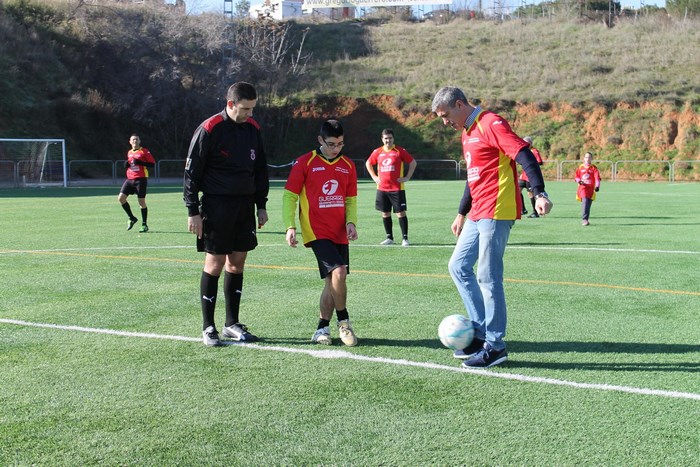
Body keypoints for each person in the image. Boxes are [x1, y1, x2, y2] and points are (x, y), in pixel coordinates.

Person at [431, 86, 553, 368]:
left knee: (488, 276)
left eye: (446, 115)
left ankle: (495, 346)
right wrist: (461, 212)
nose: (444, 122)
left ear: (460, 104)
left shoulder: (490, 123)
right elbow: (474, 177)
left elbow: (523, 153)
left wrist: (539, 193)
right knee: (457, 266)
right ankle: (480, 333)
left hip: (497, 210)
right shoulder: (466, 132)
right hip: (477, 211)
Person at [183, 82, 270, 347]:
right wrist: (193, 211)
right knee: (215, 263)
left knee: (238, 263)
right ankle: (208, 327)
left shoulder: (253, 129)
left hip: (244, 206)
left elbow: (260, 170)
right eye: (245, 109)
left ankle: (231, 323)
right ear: (231, 104)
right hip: (216, 206)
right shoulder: (209, 129)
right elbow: (191, 173)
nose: (250, 114)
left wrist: (261, 204)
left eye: (253, 109)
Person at [282, 119, 359, 347]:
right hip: (316, 231)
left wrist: (351, 222)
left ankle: (321, 328)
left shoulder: (348, 165)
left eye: (341, 144)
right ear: (320, 140)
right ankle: (344, 321)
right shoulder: (305, 162)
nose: (336, 149)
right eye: (332, 144)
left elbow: (350, 199)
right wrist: (290, 226)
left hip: (339, 232)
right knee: (339, 271)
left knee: (331, 281)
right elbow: (290, 196)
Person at [365, 128, 417, 247]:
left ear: (393, 139)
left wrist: (407, 177)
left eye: (390, 138)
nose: (388, 140)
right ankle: (389, 237)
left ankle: (405, 238)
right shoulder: (377, 152)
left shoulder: (399, 151)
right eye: (386, 138)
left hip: (397, 189)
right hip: (382, 189)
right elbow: (368, 163)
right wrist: (374, 177)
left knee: (400, 213)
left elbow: (413, 162)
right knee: (385, 213)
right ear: (382, 139)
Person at [118, 134, 155, 232]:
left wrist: (141, 163)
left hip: (141, 179)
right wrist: (125, 165)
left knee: (141, 202)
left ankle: (144, 224)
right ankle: (132, 218)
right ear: (130, 142)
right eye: (133, 140)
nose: (135, 141)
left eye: (137, 139)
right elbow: (131, 164)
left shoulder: (144, 151)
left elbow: (152, 164)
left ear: (139, 141)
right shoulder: (129, 152)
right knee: (121, 198)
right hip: (129, 180)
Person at [519, 136, 544, 218]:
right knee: (517, 190)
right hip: (523, 176)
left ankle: (535, 212)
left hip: (530, 176)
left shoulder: (534, 151)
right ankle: (523, 209)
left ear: (530, 143)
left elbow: (540, 162)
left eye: (526, 142)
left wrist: (531, 163)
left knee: (531, 194)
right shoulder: (524, 151)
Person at [574, 151, 601, 226]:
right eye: (586, 157)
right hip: (583, 188)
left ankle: (586, 219)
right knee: (585, 201)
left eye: (589, 157)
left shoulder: (593, 168)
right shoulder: (580, 167)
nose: (587, 159)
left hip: (591, 189)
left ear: (591, 158)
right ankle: (584, 219)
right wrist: (579, 181)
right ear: (584, 158)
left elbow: (597, 178)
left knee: (588, 205)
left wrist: (597, 186)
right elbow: (576, 176)